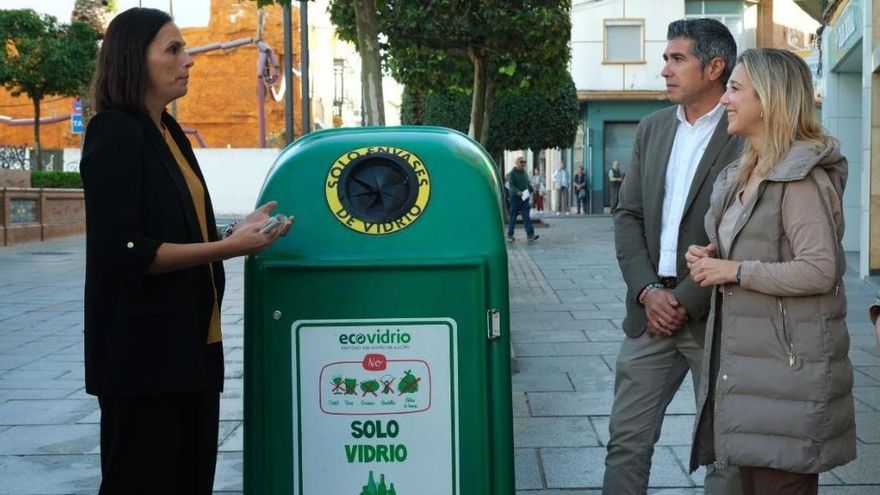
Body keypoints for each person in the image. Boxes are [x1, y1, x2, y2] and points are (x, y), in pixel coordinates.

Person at [79, 8, 293, 494]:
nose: (189, 60)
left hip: (193, 347)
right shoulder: (113, 132)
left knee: (190, 480)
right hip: (143, 357)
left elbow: (174, 223)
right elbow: (125, 251)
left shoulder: (168, 131)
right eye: (173, 49)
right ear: (134, 60)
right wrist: (227, 248)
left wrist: (237, 230)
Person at [686, 48, 855, 495]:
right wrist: (710, 257)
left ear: (771, 99)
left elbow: (820, 270)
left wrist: (734, 269)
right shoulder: (745, 172)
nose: (725, 99)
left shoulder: (800, 179)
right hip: (749, 372)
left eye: (736, 88)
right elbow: (751, 248)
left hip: (786, 378)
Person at [607, 18, 744, 495]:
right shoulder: (652, 128)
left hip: (716, 315)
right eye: (666, 58)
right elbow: (628, 217)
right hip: (650, 314)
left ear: (714, 67)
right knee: (626, 441)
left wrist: (685, 298)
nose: (664, 69)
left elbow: (746, 232)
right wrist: (647, 291)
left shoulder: (744, 130)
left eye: (676, 58)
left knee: (725, 451)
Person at [507, 157, 539, 242]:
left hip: (524, 198)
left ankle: (530, 235)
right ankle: (510, 235)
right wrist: (517, 192)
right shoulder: (512, 173)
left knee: (526, 216)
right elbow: (511, 186)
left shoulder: (525, 173)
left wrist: (532, 188)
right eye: (521, 162)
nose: (523, 163)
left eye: (524, 162)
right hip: (515, 198)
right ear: (516, 162)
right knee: (513, 217)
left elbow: (528, 183)